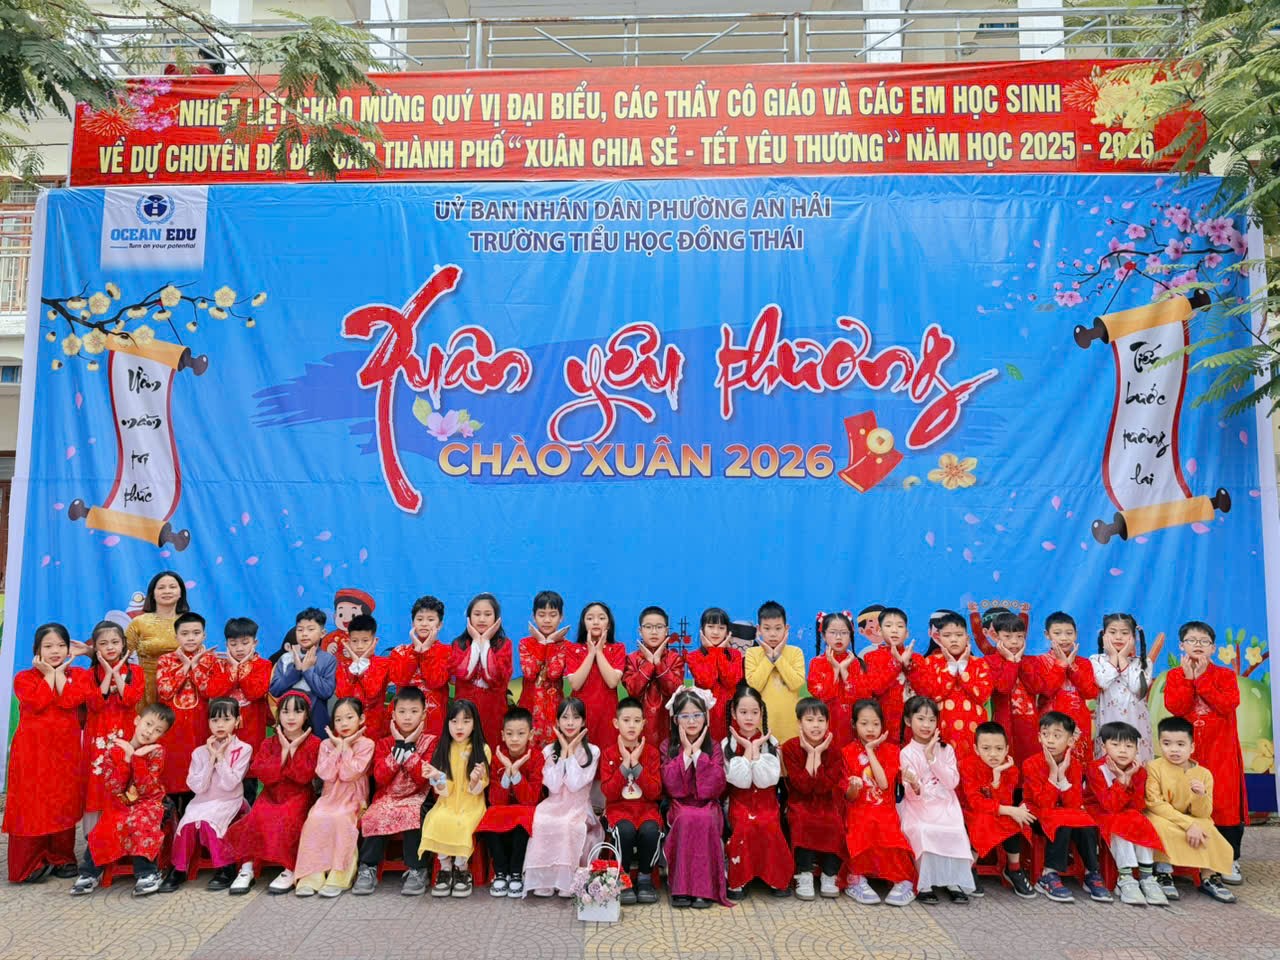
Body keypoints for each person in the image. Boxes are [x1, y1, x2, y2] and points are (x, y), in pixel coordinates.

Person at [4, 623, 91, 882]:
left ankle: (62, 858)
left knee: (62, 800)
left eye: (61, 645)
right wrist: (49, 675)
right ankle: (30, 863)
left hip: (65, 750)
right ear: (37, 650)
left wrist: (59, 674)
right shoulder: (24, 678)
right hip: (32, 751)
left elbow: (70, 701)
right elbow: (38, 703)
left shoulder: (79, 675)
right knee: (32, 802)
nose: (55, 651)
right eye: (48, 646)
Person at [1163, 620, 1246, 885]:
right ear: (1181, 646)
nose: (1197, 645)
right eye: (1191, 640)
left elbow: (1227, 704)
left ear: (1213, 648)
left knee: (1225, 802)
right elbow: (1176, 708)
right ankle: (1188, 858)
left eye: (1204, 641)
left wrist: (1201, 681)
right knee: (1188, 799)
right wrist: (1189, 681)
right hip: (1188, 753)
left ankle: (1229, 859)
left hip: (1221, 750)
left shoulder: (1225, 675)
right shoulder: (1175, 676)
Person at [70, 703, 175, 897]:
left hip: (149, 802)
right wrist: (127, 759)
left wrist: (138, 759)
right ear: (137, 720)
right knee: (106, 826)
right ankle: (89, 874)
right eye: (148, 724)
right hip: (120, 802)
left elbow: (146, 788)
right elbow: (115, 787)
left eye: (158, 730)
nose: (149, 731)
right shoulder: (115, 750)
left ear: (162, 734)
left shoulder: (156, 751)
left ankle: (147, 874)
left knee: (140, 821)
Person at [224, 691, 321, 895]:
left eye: (297, 712)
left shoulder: (314, 743)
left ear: (306, 715)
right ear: (278, 715)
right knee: (255, 818)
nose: (291, 717)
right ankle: (247, 868)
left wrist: (293, 750)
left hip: (298, 795)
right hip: (270, 795)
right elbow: (262, 773)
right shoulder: (268, 743)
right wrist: (283, 752)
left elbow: (305, 777)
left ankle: (289, 869)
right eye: (285, 712)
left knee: (289, 819)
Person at [353, 686, 436, 897]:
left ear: (424, 714)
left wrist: (409, 749)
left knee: (413, 813)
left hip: (419, 796)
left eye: (414, 711)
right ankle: (367, 867)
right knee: (375, 813)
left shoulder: (431, 741)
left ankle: (417, 869)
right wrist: (399, 746)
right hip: (388, 796)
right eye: (402, 711)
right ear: (393, 714)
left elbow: (422, 778)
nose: (407, 717)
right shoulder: (384, 743)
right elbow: (380, 778)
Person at [164, 697, 252, 892]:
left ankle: (225, 868)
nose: (220, 725)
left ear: (237, 721)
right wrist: (211, 758)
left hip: (229, 800)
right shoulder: (199, 752)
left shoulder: (244, 749)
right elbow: (197, 787)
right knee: (186, 825)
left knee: (209, 824)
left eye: (226, 719)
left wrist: (220, 757)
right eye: (214, 720)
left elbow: (230, 784)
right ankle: (179, 869)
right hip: (202, 801)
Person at [1145, 716, 1237, 903]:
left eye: (1180, 744)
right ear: (1159, 744)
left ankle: (1209, 876)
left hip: (1191, 817)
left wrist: (1200, 796)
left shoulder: (1204, 774)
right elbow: (1154, 803)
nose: (1174, 749)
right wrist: (1188, 825)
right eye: (1167, 744)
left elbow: (1203, 814)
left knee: (1208, 827)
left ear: (1192, 747)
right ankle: (1163, 871)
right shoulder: (1154, 767)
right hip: (1163, 815)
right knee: (1160, 825)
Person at [1021, 711, 1109, 903]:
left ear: (1070, 741)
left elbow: (1074, 804)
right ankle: (1048, 874)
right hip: (1036, 812)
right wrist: (1054, 773)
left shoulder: (1075, 765)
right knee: (1061, 820)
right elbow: (1043, 803)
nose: (1050, 740)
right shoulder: (1030, 764)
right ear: (1039, 737)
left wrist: (1062, 775)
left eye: (1057, 735)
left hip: (1063, 812)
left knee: (1087, 822)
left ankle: (1091, 873)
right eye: (1045, 734)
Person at [896, 695, 976, 904]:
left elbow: (952, 782)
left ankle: (952, 881)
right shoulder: (907, 752)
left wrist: (932, 757)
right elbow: (911, 793)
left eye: (931, 720)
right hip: (918, 805)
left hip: (945, 803)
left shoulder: (946, 749)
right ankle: (925, 883)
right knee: (922, 830)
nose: (926, 725)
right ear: (908, 721)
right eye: (921, 719)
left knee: (955, 830)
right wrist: (915, 785)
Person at [293, 697, 375, 897]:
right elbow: (325, 774)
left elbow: (349, 774)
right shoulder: (326, 744)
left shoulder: (366, 744)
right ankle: (311, 876)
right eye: (338, 719)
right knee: (315, 818)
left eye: (349, 717)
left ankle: (340, 875)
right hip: (329, 798)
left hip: (353, 798)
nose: (344, 723)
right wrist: (337, 747)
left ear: (361, 719)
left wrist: (346, 748)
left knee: (341, 819)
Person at [523, 697, 602, 898]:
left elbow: (575, 784)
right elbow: (554, 785)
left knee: (568, 824)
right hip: (553, 803)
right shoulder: (548, 751)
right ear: (557, 722)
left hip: (579, 806)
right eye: (565, 718)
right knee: (542, 821)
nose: (570, 723)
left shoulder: (593, 751)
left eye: (576, 717)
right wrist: (564, 754)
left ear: (583, 722)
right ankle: (546, 880)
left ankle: (567, 881)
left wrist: (570, 755)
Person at [841, 698, 916, 906]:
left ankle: (902, 880)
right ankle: (856, 878)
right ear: (854, 724)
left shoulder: (892, 751)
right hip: (858, 807)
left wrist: (870, 751)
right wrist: (854, 787)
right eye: (864, 723)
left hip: (885, 807)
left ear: (883, 724)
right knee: (861, 825)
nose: (870, 729)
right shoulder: (847, 752)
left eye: (875, 724)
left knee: (887, 828)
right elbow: (849, 797)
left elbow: (883, 785)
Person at [721, 683, 791, 900]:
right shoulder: (727, 744)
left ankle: (774, 877)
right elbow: (740, 782)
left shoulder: (771, 743)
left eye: (754, 712)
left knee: (769, 824)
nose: (749, 718)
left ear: (762, 713)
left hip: (766, 801)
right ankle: (740, 878)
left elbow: (766, 781)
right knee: (744, 825)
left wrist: (756, 751)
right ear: (734, 713)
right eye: (743, 712)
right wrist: (747, 750)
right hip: (739, 802)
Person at [1084, 720, 1167, 906]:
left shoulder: (1139, 772)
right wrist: (1122, 781)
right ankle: (1125, 878)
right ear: (1104, 746)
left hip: (1126, 812)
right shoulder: (1095, 768)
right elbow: (1109, 805)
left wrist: (1129, 777)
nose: (1122, 751)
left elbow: (1137, 805)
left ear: (1137, 750)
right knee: (1118, 822)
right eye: (1115, 744)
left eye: (1129, 746)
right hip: (1099, 812)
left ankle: (1147, 877)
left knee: (1140, 820)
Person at [661, 688, 729, 908]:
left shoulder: (714, 747)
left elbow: (717, 784)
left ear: (705, 716)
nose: (691, 721)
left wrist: (698, 753)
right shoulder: (667, 746)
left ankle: (704, 889)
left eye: (697, 715)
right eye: (685, 716)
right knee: (685, 818)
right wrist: (686, 754)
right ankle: (681, 887)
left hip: (708, 804)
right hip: (680, 804)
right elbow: (670, 785)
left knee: (705, 818)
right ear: (675, 719)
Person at [419, 698, 491, 898]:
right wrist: (437, 777)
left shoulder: (482, 749)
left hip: (471, 804)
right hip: (447, 802)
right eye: (454, 722)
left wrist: (475, 780)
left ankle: (462, 869)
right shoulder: (443, 749)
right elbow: (444, 791)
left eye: (466, 721)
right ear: (447, 723)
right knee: (437, 819)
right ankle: (445, 868)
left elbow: (479, 788)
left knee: (462, 823)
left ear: (474, 724)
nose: (459, 727)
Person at [155, 612, 231, 797]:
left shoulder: (213, 660)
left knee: (200, 772)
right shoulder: (165, 660)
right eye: (185, 633)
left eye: (196, 633)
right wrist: (185, 667)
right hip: (172, 727)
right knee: (171, 772)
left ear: (204, 635)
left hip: (200, 725)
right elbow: (165, 691)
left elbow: (210, 692)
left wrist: (195, 666)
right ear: (176, 636)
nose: (190, 638)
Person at [82, 621, 145, 836]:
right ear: (95, 647)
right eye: (103, 643)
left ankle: (124, 837)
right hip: (98, 735)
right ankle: (96, 840)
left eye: (115, 642)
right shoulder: (88, 675)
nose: (110, 647)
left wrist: (116, 673)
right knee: (98, 782)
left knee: (125, 778)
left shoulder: (136, 671)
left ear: (123, 644)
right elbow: (94, 704)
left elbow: (131, 699)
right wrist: (107, 674)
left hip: (126, 734)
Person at [959, 721, 1035, 898]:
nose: (993, 754)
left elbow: (1005, 800)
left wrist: (997, 776)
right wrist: (1006, 804)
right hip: (971, 811)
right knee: (982, 821)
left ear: (1007, 749)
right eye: (986, 748)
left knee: (1015, 820)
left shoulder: (1011, 770)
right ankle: (969, 868)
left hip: (998, 809)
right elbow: (975, 802)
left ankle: (1014, 868)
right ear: (976, 749)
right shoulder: (967, 765)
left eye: (999, 749)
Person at [476, 706, 544, 899]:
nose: (515, 739)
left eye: (521, 733)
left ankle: (516, 873)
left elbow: (530, 799)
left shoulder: (537, 757)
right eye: (510, 734)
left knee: (524, 818)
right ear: (502, 735)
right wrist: (507, 770)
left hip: (526, 809)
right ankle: (500, 872)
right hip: (503, 809)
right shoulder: (498, 757)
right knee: (489, 816)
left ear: (530, 734)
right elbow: (496, 800)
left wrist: (516, 773)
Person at [781, 697, 844, 900]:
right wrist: (811, 754)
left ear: (827, 723)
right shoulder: (790, 747)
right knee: (802, 819)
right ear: (799, 723)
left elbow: (824, 786)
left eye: (820, 720)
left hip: (826, 800)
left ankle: (829, 874)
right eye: (809, 720)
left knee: (834, 822)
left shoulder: (835, 750)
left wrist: (820, 753)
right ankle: (804, 873)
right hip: (799, 800)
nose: (816, 725)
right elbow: (804, 787)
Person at [600, 697, 662, 904]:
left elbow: (654, 793)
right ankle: (623, 877)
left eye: (637, 721)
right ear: (616, 723)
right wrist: (625, 764)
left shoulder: (651, 753)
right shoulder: (608, 753)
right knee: (624, 831)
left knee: (651, 830)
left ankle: (645, 878)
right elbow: (609, 793)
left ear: (644, 723)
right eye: (626, 720)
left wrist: (636, 765)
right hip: (618, 811)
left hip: (646, 810)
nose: (632, 725)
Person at [910, 612, 992, 758]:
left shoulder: (980, 663)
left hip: (973, 730)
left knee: (973, 765)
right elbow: (932, 695)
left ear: (967, 638)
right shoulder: (930, 662)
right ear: (938, 639)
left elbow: (983, 696)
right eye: (947, 635)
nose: (953, 639)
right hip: (941, 730)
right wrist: (952, 669)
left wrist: (963, 667)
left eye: (959, 635)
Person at [1030, 612, 1098, 769]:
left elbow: (1090, 693)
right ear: (1047, 635)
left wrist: (1072, 667)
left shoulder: (1084, 663)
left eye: (1069, 633)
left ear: (1076, 634)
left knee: (1079, 769)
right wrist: (1061, 665)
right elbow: (1047, 690)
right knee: (1050, 767)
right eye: (1057, 633)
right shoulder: (1039, 662)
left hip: (1079, 723)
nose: (1064, 638)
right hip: (1050, 724)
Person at [1090, 613, 1158, 764]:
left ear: (1134, 637)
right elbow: (1103, 681)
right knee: (1108, 762)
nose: (1118, 637)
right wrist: (1114, 656)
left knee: (1137, 762)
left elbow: (1137, 688)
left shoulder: (1143, 662)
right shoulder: (1096, 660)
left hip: (1136, 722)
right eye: (1112, 632)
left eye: (1125, 633)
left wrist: (1122, 658)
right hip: (1108, 721)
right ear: (1104, 635)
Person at [449, 594, 513, 747]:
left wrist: (485, 642)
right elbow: (464, 673)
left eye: (488, 614)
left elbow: (493, 677)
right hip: (464, 712)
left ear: (496, 618)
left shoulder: (504, 644)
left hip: (493, 712)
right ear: (469, 617)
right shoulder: (459, 644)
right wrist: (476, 643)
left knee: (491, 748)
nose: (482, 619)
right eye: (477, 614)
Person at [222, 617, 272, 803]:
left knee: (248, 779)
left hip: (252, 729)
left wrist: (238, 669)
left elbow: (254, 693)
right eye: (233, 643)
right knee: (225, 775)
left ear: (255, 642)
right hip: (226, 731)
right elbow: (216, 691)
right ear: (226, 644)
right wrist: (232, 669)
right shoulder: (221, 665)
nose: (239, 648)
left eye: (245, 643)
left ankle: (248, 814)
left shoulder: (263, 665)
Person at [621, 605, 686, 749]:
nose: (654, 632)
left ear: (667, 630)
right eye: (648, 627)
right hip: (638, 725)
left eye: (659, 627)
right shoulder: (631, 659)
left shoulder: (675, 659)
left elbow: (674, 690)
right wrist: (649, 664)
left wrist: (658, 663)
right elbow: (633, 691)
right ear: (640, 631)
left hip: (668, 724)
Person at [565, 601, 626, 749]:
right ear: (583, 623)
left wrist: (599, 652)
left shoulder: (618, 648)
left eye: (601, 618)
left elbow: (612, 682)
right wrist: (591, 653)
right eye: (590, 618)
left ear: (609, 624)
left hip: (607, 714)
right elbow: (575, 684)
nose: (596, 622)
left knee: (607, 753)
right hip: (580, 715)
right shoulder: (572, 649)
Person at [743, 601, 805, 745]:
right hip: (761, 727)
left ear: (786, 628)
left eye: (778, 628)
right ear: (759, 629)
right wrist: (769, 657)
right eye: (767, 628)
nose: (772, 634)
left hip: (791, 726)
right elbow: (755, 685)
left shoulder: (795, 652)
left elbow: (796, 684)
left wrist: (777, 657)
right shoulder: (751, 653)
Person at [388, 595, 451, 735]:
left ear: (439, 625)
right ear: (413, 623)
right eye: (420, 619)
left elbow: (435, 681)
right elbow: (400, 680)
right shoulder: (400, 651)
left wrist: (427, 650)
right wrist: (415, 652)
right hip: (403, 723)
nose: (424, 624)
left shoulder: (447, 652)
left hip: (434, 722)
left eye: (430, 619)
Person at [270, 608, 338, 737]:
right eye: (300, 630)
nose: (304, 634)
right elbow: (275, 690)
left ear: (322, 633)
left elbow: (326, 692)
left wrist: (307, 670)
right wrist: (296, 670)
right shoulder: (286, 658)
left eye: (310, 629)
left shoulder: (328, 660)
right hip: (289, 723)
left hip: (317, 722)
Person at [125, 570, 189, 706]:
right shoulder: (139, 622)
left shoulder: (189, 622)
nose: (167, 591)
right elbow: (120, 656)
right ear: (152, 594)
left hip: (183, 689)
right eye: (161, 587)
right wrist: (90, 653)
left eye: (172, 587)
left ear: (180, 593)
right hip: (147, 689)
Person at [516, 590, 571, 747]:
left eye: (553, 615)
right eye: (541, 615)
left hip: (554, 710)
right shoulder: (525, 643)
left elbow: (553, 673)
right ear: (534, 617)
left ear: (561, 617)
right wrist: (541, 644)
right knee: (527, 751)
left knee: (553, 753)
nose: (547, 620)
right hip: (529, 708)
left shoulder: (566, 646)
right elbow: (530, 673)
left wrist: (551, 643)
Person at [985, 612, 1040, 765]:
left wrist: (1020, 661)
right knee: (1006, 763)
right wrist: (1011, 662)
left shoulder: (1031, 661)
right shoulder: (990, 661)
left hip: (1030, 724)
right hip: (1004, 724)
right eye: (1007, 637)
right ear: (996, 637)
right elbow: (1003, 688)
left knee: (1030, 763)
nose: (1014, 642)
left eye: (1019, 636)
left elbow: (1036, 688)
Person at [807, 612, 865, 752]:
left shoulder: (856, 663)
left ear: (850, 635)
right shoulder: (816, 662)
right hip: (825, 722)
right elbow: (821, 695)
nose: (838, 637)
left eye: (844, 633)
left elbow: (861, 697)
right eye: (833, 632)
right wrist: (834, 669)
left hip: (850, 723)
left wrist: (844, 671)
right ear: (823, 635)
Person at [684, 607, 743, 744]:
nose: (716, 632)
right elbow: (707, 681)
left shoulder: (735, 655)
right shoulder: (693, 657)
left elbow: (730, 681)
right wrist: (713, 652)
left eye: (721, 628)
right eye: (711, 627)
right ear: (702, 629)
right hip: (704, 716)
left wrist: (719, 652)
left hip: (730, 715)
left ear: (727, 632)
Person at [862, 606, 918, 741]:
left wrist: (909, 666)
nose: (894, 630)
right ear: (879, 631)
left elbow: (927, 691)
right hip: (884, 722)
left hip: (912, 723)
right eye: (888, 626)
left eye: (900, 626)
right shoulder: (871, 657)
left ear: (907, 633)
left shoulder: (917, 658)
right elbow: (875, 688)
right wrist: (897, 664)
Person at [336, 614, 391, 738]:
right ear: (348, 641)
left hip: (374, 726)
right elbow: (343, 696)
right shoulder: (344, 666)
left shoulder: (382, 664)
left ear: (374, 641)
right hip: (347, 726)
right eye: (355, 641)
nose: (360, 646)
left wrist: (362, 665)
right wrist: (354, 666)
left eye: (365, 641)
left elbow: (372, 693)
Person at [322, 587, 376, 661]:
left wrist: (354, 654)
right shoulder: (331, 636)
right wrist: (328, 648)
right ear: (335, 616)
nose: (346, 618)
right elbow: (323, 648)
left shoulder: (364, 637)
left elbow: (369, 656)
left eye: (353, 615)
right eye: (341, 614)